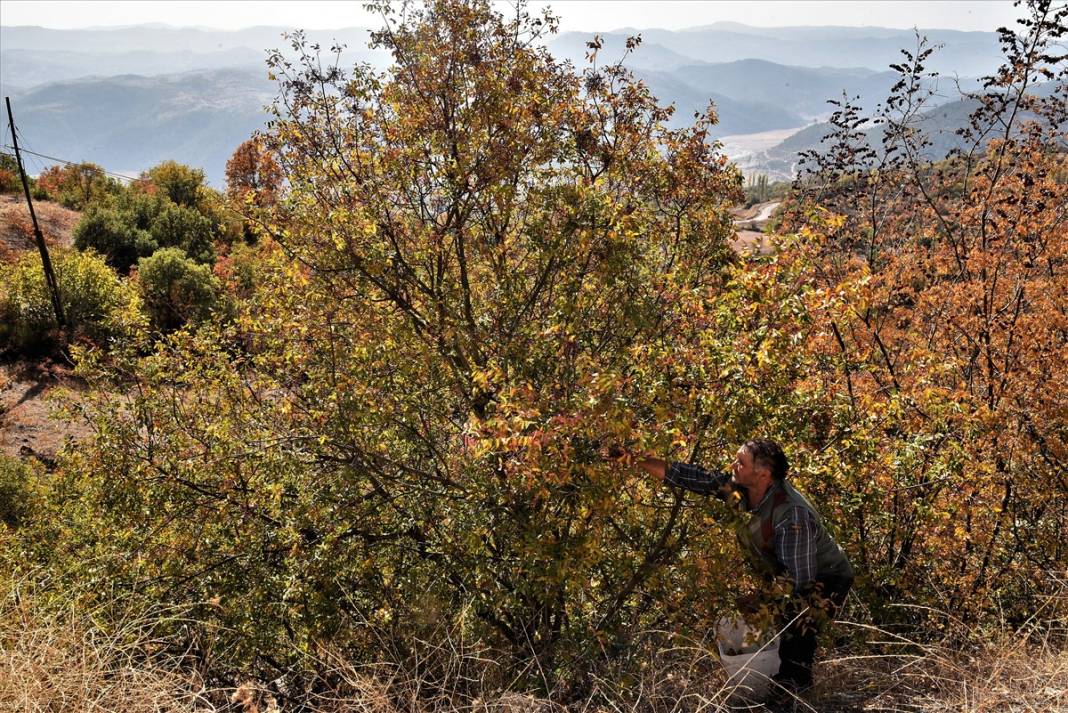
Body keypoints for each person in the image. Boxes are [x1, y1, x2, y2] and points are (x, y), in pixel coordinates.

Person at [619, 438, 853, 701]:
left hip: (824, 579)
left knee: (797, 637)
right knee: (773, 626)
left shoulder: (791, 515)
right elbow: (688, 476)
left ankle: (794, 698)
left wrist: (761, 601)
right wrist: (633, 458)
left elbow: (798, 580)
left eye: (741, 462)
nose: (733, 465)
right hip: (790, 575)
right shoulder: (738, 489)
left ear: (762, 474)